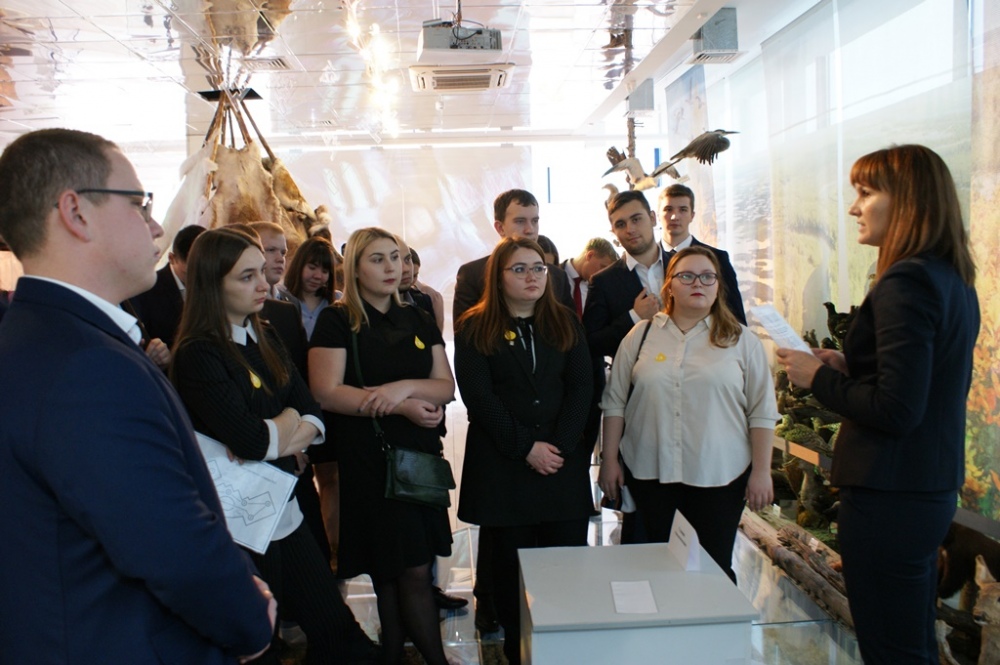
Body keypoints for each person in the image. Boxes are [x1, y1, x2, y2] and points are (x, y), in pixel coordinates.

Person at [0, 128, 274, 663]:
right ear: (76, 213)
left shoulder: (44, 336)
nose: (156, 226)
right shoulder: (84, 366)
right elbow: (171, 544)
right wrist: (248, 618)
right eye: (138, 204)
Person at [776, 144, 979, 665]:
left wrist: (818, 378)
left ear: (907, 200)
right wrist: (849, 366)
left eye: (866, 193)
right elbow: (922, 386)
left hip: (890, 493)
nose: (854, 208)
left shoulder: (906, 281)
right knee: (910, 642)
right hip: (925, 487)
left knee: (891, 648)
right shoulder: (950, 277)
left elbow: (897, 409)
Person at [170, 228, 379, 665]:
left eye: (262, 272)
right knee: (264, 638)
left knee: (334, 626)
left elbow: (313, 414)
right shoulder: (199, 352)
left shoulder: (264, 332)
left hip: (281, 499)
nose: (264, 283)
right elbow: (252, 439)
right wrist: (286, 426)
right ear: (212, 284)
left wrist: (278, 433)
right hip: (239, 518)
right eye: (247, 276)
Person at [308, 227, 456, 665]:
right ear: (354, 268)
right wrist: (401, 406)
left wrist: (401, 389)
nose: (393, 267)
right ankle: (435, 660)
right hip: (372, 457)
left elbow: (445, 386)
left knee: (400, 571)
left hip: (419, 456)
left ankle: (392, 655)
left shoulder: (418, 315)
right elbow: (326, 392)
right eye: (378, 259)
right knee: (405, 569)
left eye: (397, 257)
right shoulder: (338, 320)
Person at [598, 246, 778, 583]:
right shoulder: (642, 335)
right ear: (669, 286)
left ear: (718, 286)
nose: (698, 283)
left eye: (707, 276)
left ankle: (714, 618)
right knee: (656, 570)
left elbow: (762, 412)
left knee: (713, 571)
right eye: (687, 276)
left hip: (719, 477)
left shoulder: (741, 341)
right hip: (650, 473)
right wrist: (609, 460)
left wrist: (761, 471)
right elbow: (615, 402)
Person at [455, 237, 593, 665]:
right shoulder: (475, 327)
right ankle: (518, 652)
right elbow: (479, 398)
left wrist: (559, 446)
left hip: (560, 467)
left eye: (538, 268)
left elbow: (582, 388)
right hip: (505, 470)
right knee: (511, 580)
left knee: (565, 574)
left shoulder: (565, 322)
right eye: (519, 269)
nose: (532, 276)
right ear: (498, 277)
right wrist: (526, 447)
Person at [657, 183, 745, 324]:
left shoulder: (717, 258)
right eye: (668, 209)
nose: (674, 216)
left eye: (683, 210)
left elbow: (735, 316)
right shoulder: (646, 260)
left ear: (692, 216)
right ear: (657, 215)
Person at [130, 223, 206, 348]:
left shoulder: (217, 281)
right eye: (189, 273)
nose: (198, 278)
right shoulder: (147, 290)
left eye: (204, 270)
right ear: (172, 258)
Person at [285, 236, 337, 340]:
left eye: (325, 271)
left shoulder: (337, 301)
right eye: (312, 268)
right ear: (299, 265)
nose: (318, 276)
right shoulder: (281, 297)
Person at [559, 237, 617, 320]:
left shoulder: (599, 289)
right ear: (590, 255)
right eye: (603, 267)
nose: (604, 273)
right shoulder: (551, 275)